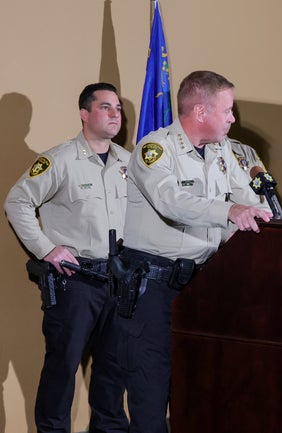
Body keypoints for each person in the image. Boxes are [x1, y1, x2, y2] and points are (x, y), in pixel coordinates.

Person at [118, 70, 272, 433]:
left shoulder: (221, 151)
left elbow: (248, 199)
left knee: (202, 385)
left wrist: (266, 218)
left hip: (204, 283)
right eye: (228, 110)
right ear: (200, 111)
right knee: (151, 387)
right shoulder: (154, 149)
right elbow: (172, 202)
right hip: (154, 286)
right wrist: (230, 212)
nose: (233, 118)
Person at [4, 82, 130, 433]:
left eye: (118, 108)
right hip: (76, 282)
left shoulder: (129, 162)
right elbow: (16, 202)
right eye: (105, 107)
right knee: (62, 368)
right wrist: (47, 249)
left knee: (112, 369)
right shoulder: (59, 160)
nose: (115, 114)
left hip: (119, 282)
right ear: (84, 113)